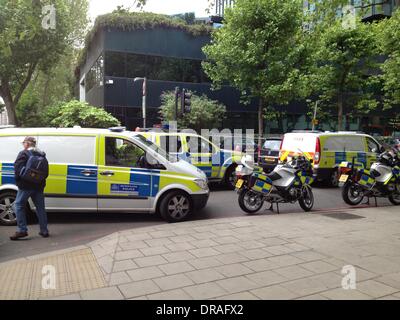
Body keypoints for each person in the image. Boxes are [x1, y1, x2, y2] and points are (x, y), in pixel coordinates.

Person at [10, 136, 49, 241]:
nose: (23, 145)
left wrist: (19, 182)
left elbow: (17, 169)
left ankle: (22, 230)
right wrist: (39, 182)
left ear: (27, 144)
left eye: (24, 143)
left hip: (25, 186)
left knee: (18, 205)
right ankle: (44, 230)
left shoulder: (23, 153)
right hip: (38, 186)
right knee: (40, 208)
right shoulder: (42, 154)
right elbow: (46, 173)